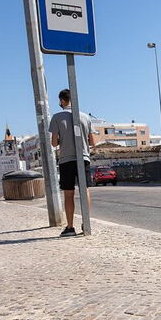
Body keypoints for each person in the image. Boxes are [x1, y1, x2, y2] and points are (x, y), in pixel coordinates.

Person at [49, 88, 95, 237]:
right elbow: (92, 141)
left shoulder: (56, 117)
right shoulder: (85, 117)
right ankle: (86, 223)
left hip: (66, 159)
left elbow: (54, 143)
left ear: (62, 100)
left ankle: (70, 227)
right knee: (85, 190)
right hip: (84, 158)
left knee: (69, 193)